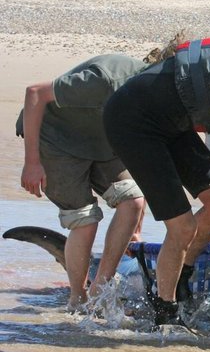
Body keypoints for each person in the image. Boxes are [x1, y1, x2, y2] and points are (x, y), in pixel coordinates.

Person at [104, 37, 210, 325]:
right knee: (183, 227)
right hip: (133, 121)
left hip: (173, 124)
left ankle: (181, 277)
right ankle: (165, 311)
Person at [16, 53, 151, 312]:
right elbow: (34, 92)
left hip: (98, 141)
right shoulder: (105, 81)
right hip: (53, 139)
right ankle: (77, 300)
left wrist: (135, 229)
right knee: (85, 219)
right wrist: (32, 162)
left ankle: (100, 287)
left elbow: (142, 153)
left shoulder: (152, 95)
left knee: (133, 200)